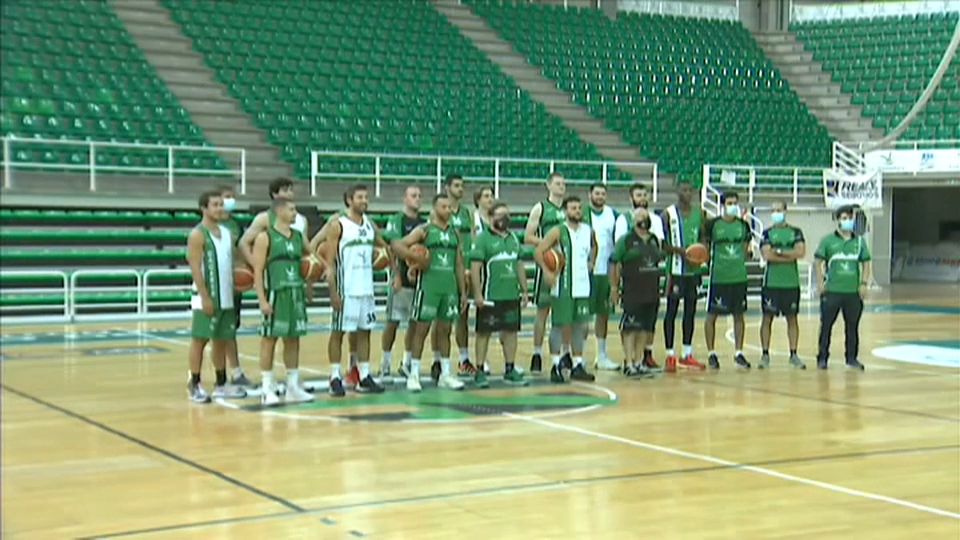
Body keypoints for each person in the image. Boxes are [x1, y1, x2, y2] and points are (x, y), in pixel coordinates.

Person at [393, 194, 469, 391]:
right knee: (421, 330)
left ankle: (445, 373)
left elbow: (459, 264)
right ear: (434, 209)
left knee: (445, 331)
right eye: (444, 207)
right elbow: (397, 245)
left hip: (449, 287)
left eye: (450, 207)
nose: (448, 210)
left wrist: (463, 292)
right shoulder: (424, 231)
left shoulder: (455, 233)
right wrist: (415, 259)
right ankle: (414, 374)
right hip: (428, 287)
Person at [323, 184, 388, 397]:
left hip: (366, 289)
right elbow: (330, 262)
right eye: (360, 197)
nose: (364, 201)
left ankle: (364, 375)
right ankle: (334, 377)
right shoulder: (337, 225)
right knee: (338, 333)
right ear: (349, 200)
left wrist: (394, 270)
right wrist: (333, 291)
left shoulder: (369, 224)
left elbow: (384, 247)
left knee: (365, 332)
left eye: (366, 197)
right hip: (346, 288)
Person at [251, 198, 314, 405]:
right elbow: (258, 270)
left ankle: (293, 387)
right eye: (291, 209)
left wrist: (322, 269)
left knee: (293, 339)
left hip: (295, 292)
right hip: (275, 293)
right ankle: (267, 387)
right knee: (270, 339)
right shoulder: (265, 237)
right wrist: (261, 299)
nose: (295, 212)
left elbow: (312, 257)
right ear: (278, 211)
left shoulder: (298, 236)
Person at [186, 191, 247, 402]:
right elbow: (195, 268)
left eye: (222, 204)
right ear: (204, 208)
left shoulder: (227, 233)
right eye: (215, 205)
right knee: (200, 341)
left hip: (227, 295)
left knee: (222, 340)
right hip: (207, 296)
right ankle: (194, 383)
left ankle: (221, 383)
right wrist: (204, 296)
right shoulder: (197, 234)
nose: (220, 208)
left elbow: (234, 263)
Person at [534, 195, 597, 383]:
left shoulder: (588, 230)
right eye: (572, 208)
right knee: (559, 325)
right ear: (565, 211)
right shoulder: (557, 231)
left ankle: (578, 363)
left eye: (579, 208)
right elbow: (538, 251)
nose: (577, 211)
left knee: (581, 325)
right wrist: (547, 271)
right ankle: (555, 364)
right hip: (562, 286)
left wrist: (592, 261)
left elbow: (595, 247)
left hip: (583, 285)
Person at [470, 202, 529, 387]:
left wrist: (525, 290)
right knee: (484, 333)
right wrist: (477, 294)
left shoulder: (513, 238)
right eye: (500, 215)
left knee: (511, 332)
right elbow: (475, 268)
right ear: (490, 218)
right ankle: (479, 370)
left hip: (511, 295)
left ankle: (510, 369)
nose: (504, 219)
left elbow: (519, 265)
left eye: (507, 215)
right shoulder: (482, 239)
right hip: (490, 296)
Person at [614, 182, 665, 369]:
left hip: (650, 284)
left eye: (645, 194)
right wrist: (615, 286)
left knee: (646, 325)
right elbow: (617, 257)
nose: (642, 198)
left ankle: (640, 360)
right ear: (631, 198)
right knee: (630, 326)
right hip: (632, 284)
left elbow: (660, 249)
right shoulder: (623, 224)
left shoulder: (654, 227)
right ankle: (628, 361)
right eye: (638, 195)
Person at [814, 205, 871, 371]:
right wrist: (820, 283)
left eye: (850, 218)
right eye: (844, 218)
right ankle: (822, 358)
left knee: (852, 327)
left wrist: (863, 283)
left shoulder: (860, 242)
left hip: (852, 292)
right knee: (826, 326)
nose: (847, 221)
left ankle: (851, 358)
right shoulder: (827, 241)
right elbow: (818, 262)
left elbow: (866, 262)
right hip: (832, 291)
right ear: (838, 220)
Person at [661, 179, 708, 371]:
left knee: (691, 311)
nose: (687, 193)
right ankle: (670, 355)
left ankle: (687, 353)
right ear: (677, 191)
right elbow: (662, 243)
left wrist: (701, 252)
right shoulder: (667, 214)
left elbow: (703, 238)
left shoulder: (700, 213)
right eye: (684, 189)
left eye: (690, 190)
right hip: (675, 270)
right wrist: (682, 252)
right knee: (671, 312)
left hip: (694, 271)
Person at [702, 191, 752, 369]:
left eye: (735, 203)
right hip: (718, 277)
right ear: (722, 205)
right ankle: (711, 353)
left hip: (739, 277)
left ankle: (739, 353)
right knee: (712, 315)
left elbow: (746, 251)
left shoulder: (744, 226)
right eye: (730, 203)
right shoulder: (713, 225)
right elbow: (705, 249)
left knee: (739, 315)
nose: (733, 206)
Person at [523, 172, 567, 373]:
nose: (561, 186)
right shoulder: (540, 208)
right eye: (557, 183)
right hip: (547, 265)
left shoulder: (570, 209)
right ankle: (537, 354)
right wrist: (548, 245)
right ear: (548, 185)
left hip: (565, 266)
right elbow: (528, 236)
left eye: (563, 184)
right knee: (542, 312)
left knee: (565, 313)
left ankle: (564, 354)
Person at [379, 185, 425, 377]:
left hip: (419, 281)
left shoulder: (425, 223)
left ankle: (406, 362)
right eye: (413, 195)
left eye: (419, 196)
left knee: (415, 324)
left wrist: (418, 266)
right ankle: (385, 361)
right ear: (404, 199)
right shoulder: (396, 220)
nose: (417, 199)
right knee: (393, 322)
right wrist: (396, 274)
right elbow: (392, 248)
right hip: (401, 280)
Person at [759, 201, 807, 369]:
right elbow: (767, 255)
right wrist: (788, 255)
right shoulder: (767, 233)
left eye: (778, 210)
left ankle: (793, 354)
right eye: (773, 210)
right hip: (771, 283)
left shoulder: (796, 232)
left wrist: (778, 251)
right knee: (767, 319)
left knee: (792, 319)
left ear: (785, 211)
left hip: (791, 283)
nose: (776, 213)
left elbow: (800, 253)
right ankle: (765, 354)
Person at [216, 184, 253, 387]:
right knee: (210, 333)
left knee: (230, 330)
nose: (230, 200)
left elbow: (240, 252)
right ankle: (196, 376)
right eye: (226, 196)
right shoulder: (207, 226)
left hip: (233, 285)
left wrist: (244, 271)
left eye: (232, 197)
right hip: (216, 283)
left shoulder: (237, 224)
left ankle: (236, 372)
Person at [582, 183, 620, 371]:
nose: (600, 196)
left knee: (603, 315)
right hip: (585, 272)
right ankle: (577, 356)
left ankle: (602, 355)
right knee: (581, 316)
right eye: (597, 193)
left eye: (603, 193)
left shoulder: (613, 215)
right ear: (590, 195)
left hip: (605, 271)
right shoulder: (581, 213)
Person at [444, 174, 477, 376]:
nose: (460, 189)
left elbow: (472, 240)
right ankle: (439, 360)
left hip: (464, 270)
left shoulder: (467, 213)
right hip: (447, 269)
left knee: (463, 316)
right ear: (447, 188)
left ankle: (464, 358)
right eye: (456, 186)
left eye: (462, 186)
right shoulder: (440, 210)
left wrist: (470, 266)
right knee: (443, 319)